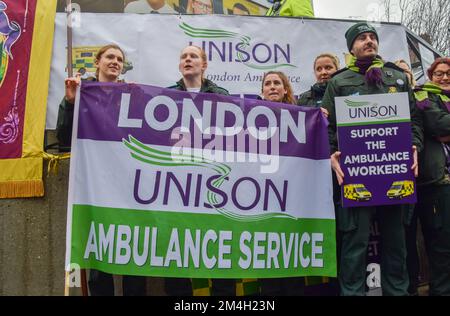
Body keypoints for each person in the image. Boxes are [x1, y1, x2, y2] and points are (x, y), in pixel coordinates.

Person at [321, 22, 423, 296]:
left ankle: (397, 292)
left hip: (395, 172)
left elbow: (415, 122)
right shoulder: (338, 82)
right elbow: (326, 128)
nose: (369, 41)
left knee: (396, 243)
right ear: (351, 47)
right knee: (354, 244)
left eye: (372, 37)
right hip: (355, 175)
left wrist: (414, 146)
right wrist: (332, 155)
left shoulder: (397, 77)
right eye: (362, 38)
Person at [56, 44, 147, 296]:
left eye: (120, 59)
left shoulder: (131, 94)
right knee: (98, 260)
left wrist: (140, 102)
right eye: (110, 57)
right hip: (94, 189)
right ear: (97, 62)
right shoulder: (81, 92)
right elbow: (64, 137)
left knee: (134, 258)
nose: (115, 62)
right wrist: (70, 103)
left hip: (128, 187)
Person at [166, 45, 234, 296]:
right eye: (183, 56)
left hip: (213, 182)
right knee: (176, 252)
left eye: (193, 56)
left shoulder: (221, 94)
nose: (187, 59)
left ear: (204, 65)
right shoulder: (167, 95)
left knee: (218, 249)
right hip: (179, 184)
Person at [257, 71, 304, 296]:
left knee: (292, 257)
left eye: (277, 83)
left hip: (292, 200)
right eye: (268, 83)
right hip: (261, 200)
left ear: (286, 89)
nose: (272, 87)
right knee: (266, 262)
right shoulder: (248, 117)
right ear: (262, 91)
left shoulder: (302, 117)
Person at [410, 57, 450, 296]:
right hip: (438, 183)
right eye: (439, 74)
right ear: (430, 76)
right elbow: (438, 125)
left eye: (448, 74)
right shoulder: (423, 95)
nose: (444, 78)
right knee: (440, 245)